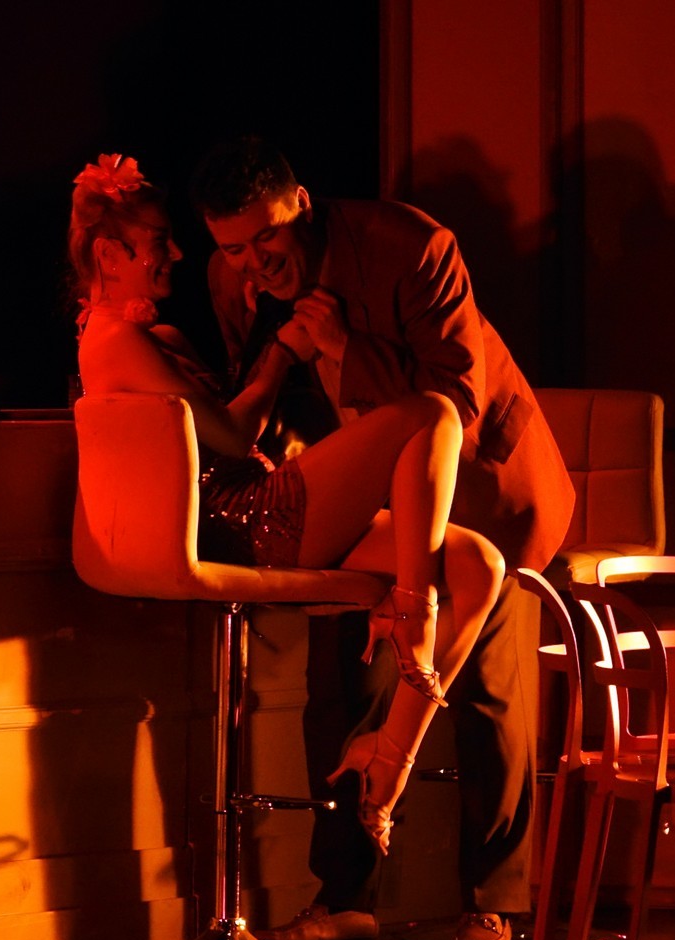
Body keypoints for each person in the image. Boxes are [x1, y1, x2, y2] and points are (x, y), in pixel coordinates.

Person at [190, 137, 575, 940]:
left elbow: (456, 401)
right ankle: (346, 898)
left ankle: (493, 902)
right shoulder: (235, 278)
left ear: (300, 203)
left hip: (481, 486)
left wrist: (341, 350)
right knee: (342, 682)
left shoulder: (414, 247)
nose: (255, 262)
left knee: (487, 693)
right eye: (234, 248)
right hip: (367, 504)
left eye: (267, 238)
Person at [70, 153, 505, 858]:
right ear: (109, 253)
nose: (176, 254)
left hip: (261, 502)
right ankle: (414, 612)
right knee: (431, 412)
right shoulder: (115, 340)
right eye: (159, 241)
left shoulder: (154, 336)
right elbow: (231, 434)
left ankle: (391, 749)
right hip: (243, 522)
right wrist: (282, 352)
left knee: (479, 563)